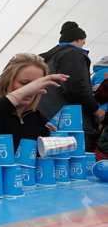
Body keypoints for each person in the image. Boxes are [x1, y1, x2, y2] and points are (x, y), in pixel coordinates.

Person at [0, 53, 69, 150]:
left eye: (36, 85)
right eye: (24, 83)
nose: (30, 89)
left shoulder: (39, 120)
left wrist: (51, 144)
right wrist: (15, 98)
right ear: (7, 81)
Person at [39, 21, 105, 152]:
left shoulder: (48, 59)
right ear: (78, 39)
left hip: (48, 121)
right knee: (76, 162)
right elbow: (74, 87)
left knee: (57, 165)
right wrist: (96, 110)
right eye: (83, 42)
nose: (83, 45)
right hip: (71, 124)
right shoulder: (72, 54)